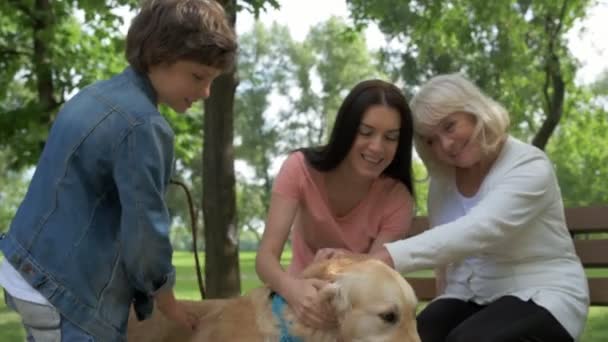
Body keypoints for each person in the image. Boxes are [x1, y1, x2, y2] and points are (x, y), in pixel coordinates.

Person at [0, 0, 237, 340]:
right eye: (197, 76)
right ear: (158, 55)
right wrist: (167, 301)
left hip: (25, 267)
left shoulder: (92, 96)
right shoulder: (143, 125)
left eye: (212, 80)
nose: (205, 92)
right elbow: (145, 233)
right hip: (64, 292)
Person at [364, 73, 589, 341]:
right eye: (431, 140)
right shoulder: (442, 184)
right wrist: (439, 310)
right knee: (415, 337)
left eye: (449, 126)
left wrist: (382, 258)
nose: (445, 145)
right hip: (469, 297)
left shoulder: (529, 165)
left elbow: (478, 230)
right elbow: (446, 261)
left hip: (543, 294)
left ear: (474, 112)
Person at [255, 79, 416, 329]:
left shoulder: (398, 198)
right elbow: (265, 258)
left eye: (391, 137)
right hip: (297, 304)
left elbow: (378, 271)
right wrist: (294, 290)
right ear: (346, 129)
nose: (377, 147)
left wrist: (343, 259)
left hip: (357, 318)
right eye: (366, 132)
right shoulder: (299, 168)